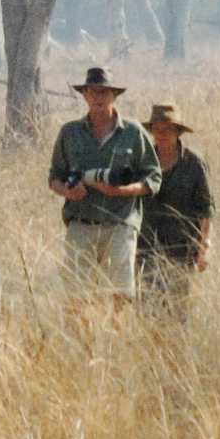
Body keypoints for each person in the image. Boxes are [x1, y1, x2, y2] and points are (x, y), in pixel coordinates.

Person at [44, 64, 156, 302]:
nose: (98, 97)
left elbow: (153, 177)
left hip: (121, 222)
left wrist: (125, 190)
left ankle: (115, 337)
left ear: (115, 95)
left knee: (120, 293)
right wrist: (67, 191)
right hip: (81, 223)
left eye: (104, 92)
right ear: (84, 95)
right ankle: (83, 339)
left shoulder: (133, 132)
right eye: (93, 92)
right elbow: (54, 176)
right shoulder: (69, 132)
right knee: (77, 294)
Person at [139, 101, 216, 315]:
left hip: (182, 252)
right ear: (152, 131)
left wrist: (205, 247)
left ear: (178, 132)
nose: (163, 135)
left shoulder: (194, 163)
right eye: (158, 130)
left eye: (168, 130)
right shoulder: (142, 162)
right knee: (148, 312)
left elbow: (206, 209)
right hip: (146, 250)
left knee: (178, 313)